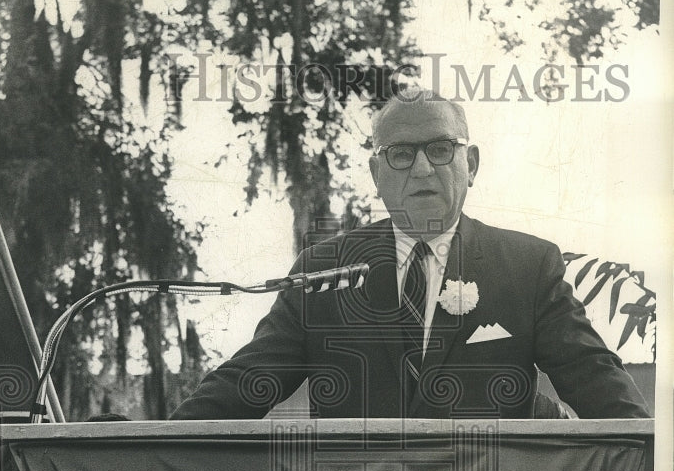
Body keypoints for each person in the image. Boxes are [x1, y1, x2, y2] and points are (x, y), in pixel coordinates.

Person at [172, 92, 649, 421]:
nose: (423, 168)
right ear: (377, 173)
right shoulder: (323, 272)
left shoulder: (528, 265)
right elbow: (247, 383)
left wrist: (656, 455)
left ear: (472, 163)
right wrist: (141, 442)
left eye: (441, 149)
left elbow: (594, 378)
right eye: (401, 153)